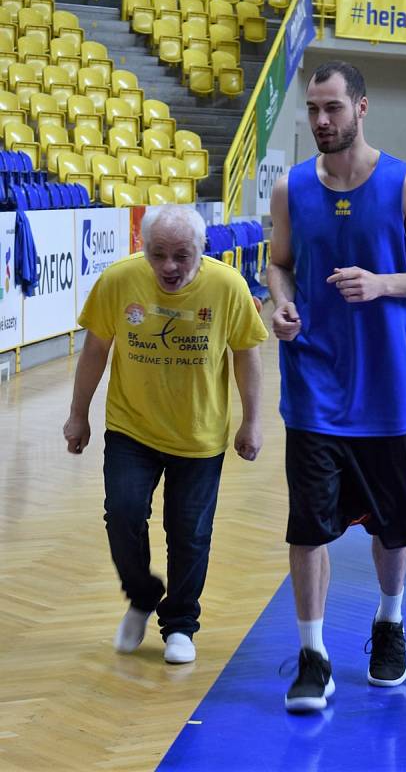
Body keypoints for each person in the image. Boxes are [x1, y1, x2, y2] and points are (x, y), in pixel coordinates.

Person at [267, 61, 406, 712]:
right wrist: (281, 305)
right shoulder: (291, 188)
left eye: (332, 108)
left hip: (383, 391)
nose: (321, 121)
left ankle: (388, 622)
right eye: (312, 110)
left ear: (361, 107)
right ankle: (312, 654)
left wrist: (382, 284)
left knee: (392, 528)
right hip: (312, 385)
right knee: (307, 528)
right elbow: (278, 263)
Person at [64, 204, 268, 663]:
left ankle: (179, 624)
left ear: (202, 249)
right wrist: (79, 414)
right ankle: (141, 596)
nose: (170, 267)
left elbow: (246, 353)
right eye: (158, 255)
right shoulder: (118, 281)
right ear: (143, 247)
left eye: (182, 255)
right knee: (122, 514)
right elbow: (96, 348)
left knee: (190, 532)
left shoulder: (228, 286)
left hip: (199, 434)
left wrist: (252, 421)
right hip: (131, 427)